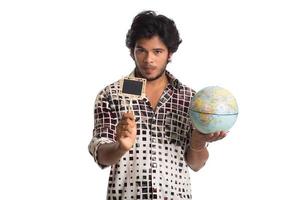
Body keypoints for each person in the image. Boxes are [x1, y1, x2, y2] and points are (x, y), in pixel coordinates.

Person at [88, 10, 227, 200]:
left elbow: (196, 164)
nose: (148, 60)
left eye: (157, 51)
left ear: (170, 54)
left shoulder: (190, 99)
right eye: (141, 50)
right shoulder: (111, 95)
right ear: (132, 52)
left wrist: (197, 144)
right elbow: (101, 154)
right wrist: (120, 147)